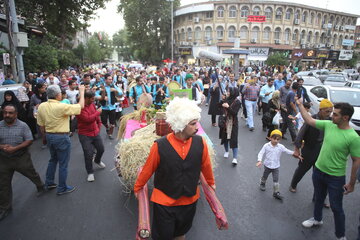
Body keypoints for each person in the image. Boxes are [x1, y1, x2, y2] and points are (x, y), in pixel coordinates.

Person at [134, 97, 215, 240]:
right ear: (181, 124)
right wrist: (138, 188)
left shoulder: (200, 142)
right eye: (193, 123)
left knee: (180, 233)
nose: (197, 127)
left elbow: (206, 166)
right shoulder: (159, 145)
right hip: (164, 203)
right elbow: (147, 170)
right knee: (163, 236)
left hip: (190, 201)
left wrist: (210, 184)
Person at [297, 100, 360, 240]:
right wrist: (299, 104)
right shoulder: (330, 125)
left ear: (345, 117)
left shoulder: (353, 137)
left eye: (336, 114)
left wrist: (351, 183)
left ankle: (340, 235)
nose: (332, 116)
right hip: (318, 171)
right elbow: (309, 120)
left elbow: (357, 161)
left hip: (336, 178)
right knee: (318, 198)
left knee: (336, 208)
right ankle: (317, 219)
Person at [37, 85, 85, 195]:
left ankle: (49, 182)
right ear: (58, 95)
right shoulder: (61, 106)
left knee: (53, 159)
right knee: (63, 163)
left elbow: (41, 125)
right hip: (61, 136)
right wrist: (81, 92)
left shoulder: (42, 106)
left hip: (49, 135)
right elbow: (81, 106)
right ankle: (62, 187)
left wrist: (45, 136)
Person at [0, 104, 44, 221]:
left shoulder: (23, 126)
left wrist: (14, 148)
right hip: (4, 159)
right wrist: (2, 146)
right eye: (5, 113)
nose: (7, 115)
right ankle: (5, 207)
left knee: (31, 173)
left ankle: (40, 185)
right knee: (3, 185)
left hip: (21, 157)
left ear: (16, 114)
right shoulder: (0, 125)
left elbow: (29, 140)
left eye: (10, 113)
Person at [289, 100, 333, 208]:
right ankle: (293, 184)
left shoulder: (331, 121)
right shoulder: (312, 119)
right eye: (327, 111)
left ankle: (318, 198)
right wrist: (296, 149)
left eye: (331, 112)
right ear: (320, 110)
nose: (329, 114)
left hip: (322, 151)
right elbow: (301, 134)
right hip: (309, 149)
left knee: (320, 176)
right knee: (302, 169)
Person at [256, 129, 299, 201]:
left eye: (278, 139)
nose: (276, 141)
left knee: (276, 180)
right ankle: (262, 183)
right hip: (267, 165)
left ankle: (276, 192)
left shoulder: (280, 146)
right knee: (265, 176)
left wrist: (296, 154)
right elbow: (261, 153)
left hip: (276, 166)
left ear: (280, 140)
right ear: (270, 138)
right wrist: (259, 160)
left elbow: (287, 151)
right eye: (274, 139)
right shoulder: (266, 145)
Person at [76, 91, 105, 182]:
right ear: (86, 98)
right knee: (88, 154)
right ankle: (90, 172)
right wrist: (97, 112)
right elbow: (87, 119)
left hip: (95, 132)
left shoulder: (92, 104)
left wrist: (99, 125)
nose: (93, 100)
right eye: (92, 99)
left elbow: (96, 118)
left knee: (101, 149)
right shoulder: (80, 107)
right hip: (85, 134)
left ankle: (97, 160)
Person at [96, 74, 123, 139]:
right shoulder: (101, 86)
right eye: (109, 79)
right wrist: (102, 97)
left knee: (112, 124)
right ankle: (107, 127)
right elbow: (95, 94)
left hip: (112, 107)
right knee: (104, 121)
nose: (111, 81)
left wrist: (115, 90)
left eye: (111, 79)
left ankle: (110, 134)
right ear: (105, 80)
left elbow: (120, 93)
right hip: (104, 107)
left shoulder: (113, 86)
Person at [219, 87, 241, 165]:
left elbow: (234, 113)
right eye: (228, 91)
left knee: (234, 139)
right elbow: (219, 107)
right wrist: (222, 101)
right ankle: (226, 151)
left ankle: (235, 158)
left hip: (233, 123)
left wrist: (228, 107)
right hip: (224, 121)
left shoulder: (237, 102)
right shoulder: (226, 99)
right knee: (225, 138)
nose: (228, 92)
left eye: (229, 91)